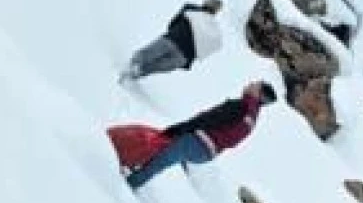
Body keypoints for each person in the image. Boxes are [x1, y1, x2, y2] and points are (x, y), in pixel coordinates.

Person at [108, 81, 275, 191]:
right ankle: (129, 169)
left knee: (159, 158)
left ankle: (125, 185)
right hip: (207, 152)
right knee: (159, 152)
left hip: (197, 141)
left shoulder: (241, 107)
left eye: (255, 85)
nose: (249, 84)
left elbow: (209, 119)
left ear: (259, 95)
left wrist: (182, 128)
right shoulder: (251, 118)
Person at [120, 0, 224, 84]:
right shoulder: (213, 30)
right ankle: (133, 76)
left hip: (173, 39)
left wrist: (174, 32)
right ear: (216, 12)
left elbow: (173, 22)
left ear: (207, 2)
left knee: (146, 54)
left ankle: (125, 71)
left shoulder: (191, 9)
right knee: (156, 66)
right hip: (183, 57)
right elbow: (206, 50)